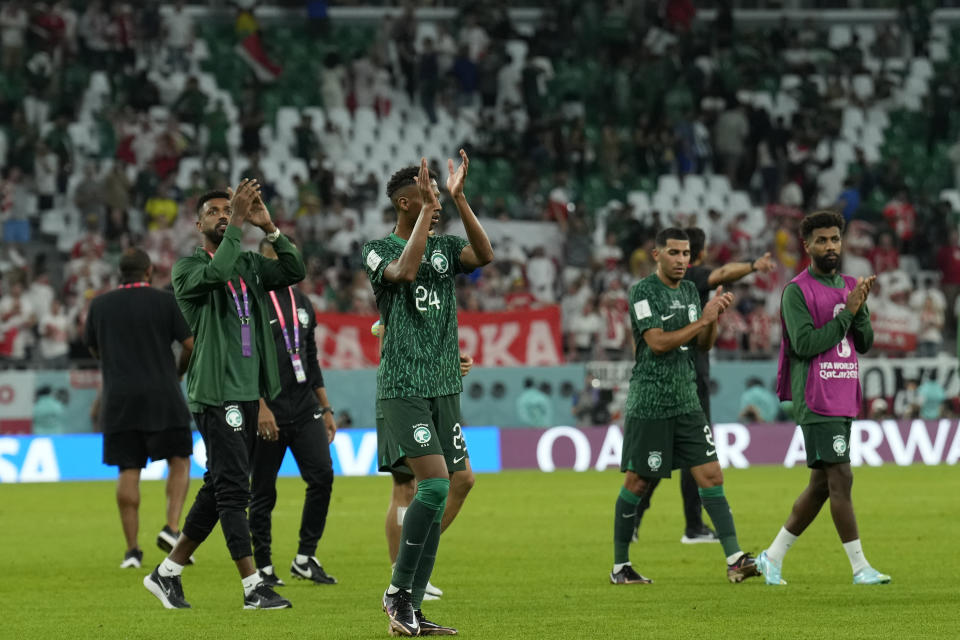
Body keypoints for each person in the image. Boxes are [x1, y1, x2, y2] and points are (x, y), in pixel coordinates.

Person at [143, 181, 306, 610]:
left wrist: (269, 227)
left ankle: (167, 573)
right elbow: (217, 275)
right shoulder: (187, 270)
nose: (222, 215)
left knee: (220, 484)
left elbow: (293, 272)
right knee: (235, 489)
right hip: (216, 392)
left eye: (226, 209)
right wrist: (236, 220)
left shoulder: (251, 265)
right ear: (199, 224)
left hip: (248, 390)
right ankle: (253, 586)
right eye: (213, 211)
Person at [363, 153, 493, 636]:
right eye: (427, 196)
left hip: (443, 387)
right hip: (403, 386)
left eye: (439, 196)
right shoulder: (376, 249)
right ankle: (397, 592)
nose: (435, 204)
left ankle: (412, 607)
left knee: (452, 486)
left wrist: (460, 199)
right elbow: (403, 273)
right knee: (432, 486)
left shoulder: (444, 247)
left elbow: (484, 256)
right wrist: (424, 218)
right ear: (404, 202)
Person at [611, 227, 760, 585]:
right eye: (674, 253)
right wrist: (701, 321)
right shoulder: (643, 292)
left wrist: (712, 320)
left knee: (711, 475)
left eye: (686, 254)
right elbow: (658, 343)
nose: (681, 260)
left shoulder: (693, 290)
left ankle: (735, 559)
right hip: (652, 402)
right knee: (637, 482)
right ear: (657, 255)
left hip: (687, 401)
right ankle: (620, 566)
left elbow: (703, 345)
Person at [756, 209, 891, 586]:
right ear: (807, 245)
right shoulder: (797, 291)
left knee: (820, 485)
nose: (830, 246)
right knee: (841, 477)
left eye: (835, 239)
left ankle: (772, 556)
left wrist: (859, 310)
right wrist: (847, 314)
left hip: (844, 393)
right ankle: (861, 567)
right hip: (816, 397)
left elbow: (864, 343)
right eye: (822, 240)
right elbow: (804, 344)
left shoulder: (850, 284)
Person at [632, 227, 776, 543]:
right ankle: (689, 526)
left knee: (673, 454)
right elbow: (723, 273)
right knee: (691, 454)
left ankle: (662, 522)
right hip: (688, 376)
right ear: (702, 253)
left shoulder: (667, 285)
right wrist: (753, 265)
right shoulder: (694, 276)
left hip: (679, 374)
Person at [84, 248, 194, 569]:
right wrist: (178, 372)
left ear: (121, 273)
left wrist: (119, 364)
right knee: (179, 459)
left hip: (119, 399)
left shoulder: (100, 305)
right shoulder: (164, 301)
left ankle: (132, 551)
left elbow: (94, 348)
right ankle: (172, 528)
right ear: (149, 271)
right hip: (163, 394)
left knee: (128, 469)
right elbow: (190, 345)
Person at [250, 238, 337, 588]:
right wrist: (259, 407)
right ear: (262, 262)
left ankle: (305, 556)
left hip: (304, 409)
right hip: (267, 410)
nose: (286, 264)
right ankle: (263, 566)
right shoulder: (252, 304)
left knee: (322, 477)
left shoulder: (302, 302)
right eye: (277, 258)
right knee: (263, 492)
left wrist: (326, 407)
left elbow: (310, 357)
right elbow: (247, 360)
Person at [373, 318, 475, 603]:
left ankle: (412, 560)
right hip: (403, 397)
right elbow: (388, 350)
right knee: (406, 487)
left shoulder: (437, 297)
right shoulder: (397, 288)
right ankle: (402, 576)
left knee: (463, 479)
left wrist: (453, 363)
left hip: (439, 398)